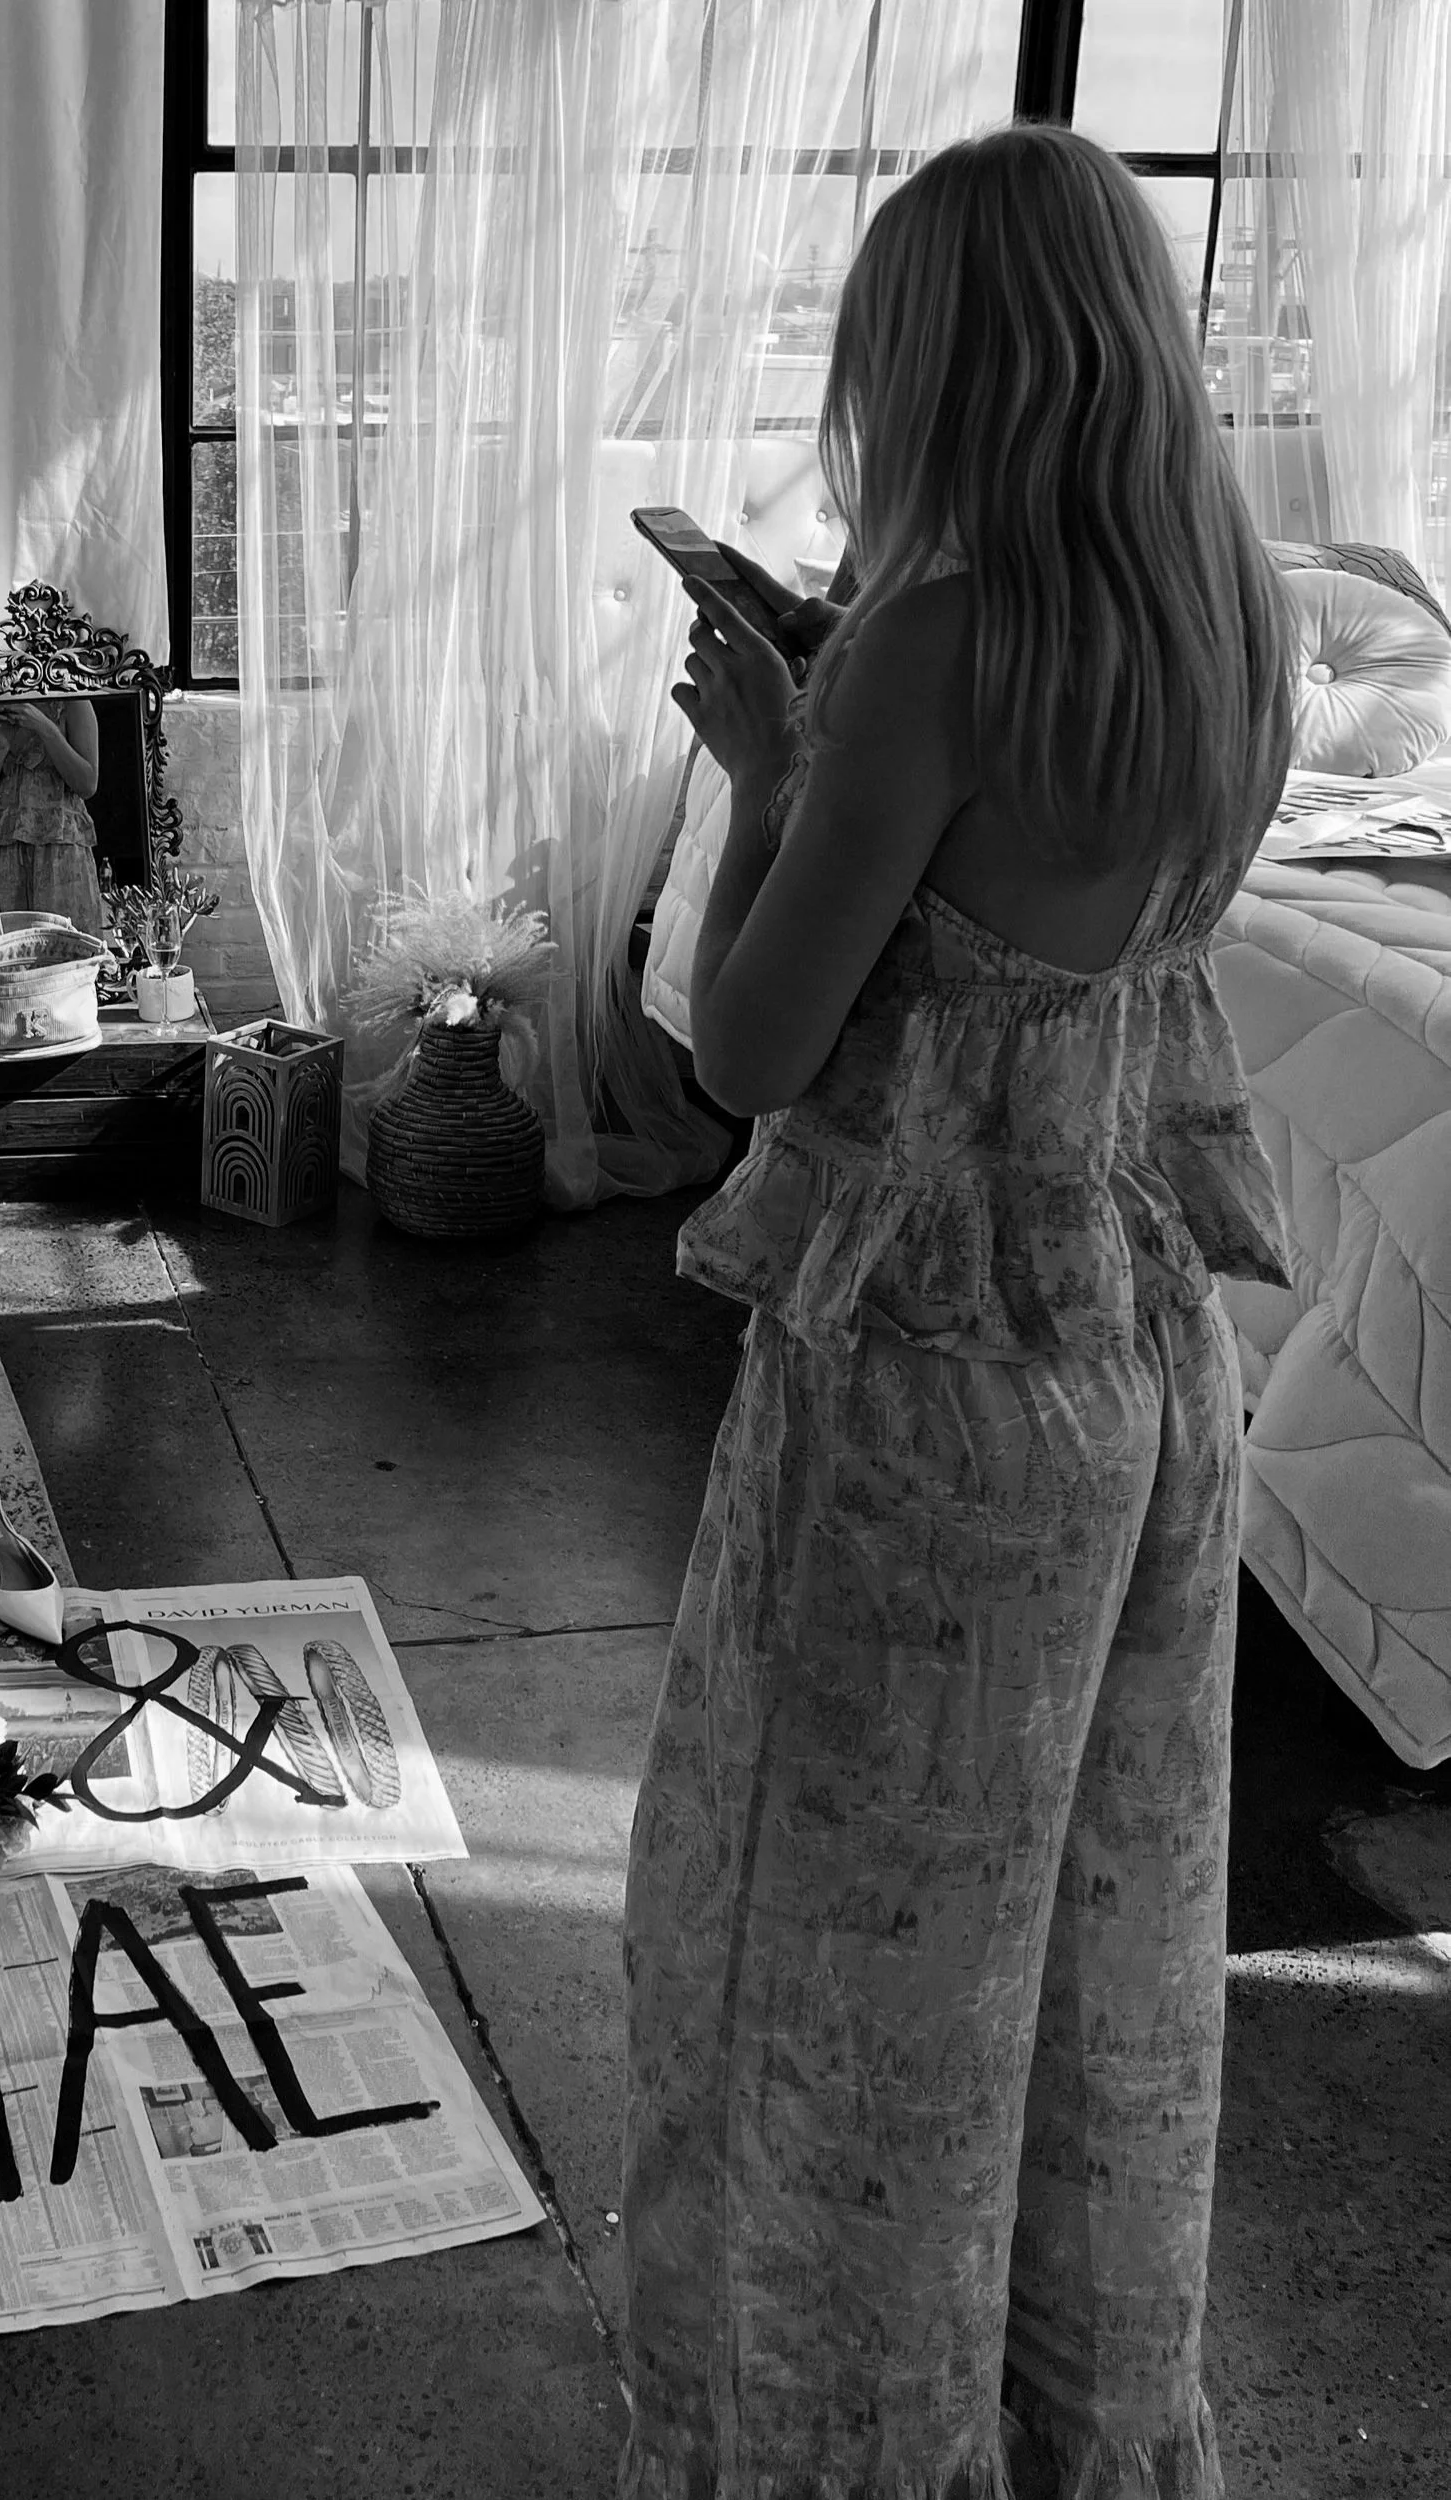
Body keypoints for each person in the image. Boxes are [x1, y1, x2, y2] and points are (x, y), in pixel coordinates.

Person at [622, 122, 1296, 2500]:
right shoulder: (1234, 609)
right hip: (1141, 1351)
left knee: (852, 1983)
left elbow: (748, 1058)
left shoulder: (934, 637)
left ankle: (838, 2453)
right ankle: (1095, 2438)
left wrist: (765, 776)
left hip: (933, 1391)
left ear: (943, 363)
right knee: (1107, 1954)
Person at [0, 695, 104, 930]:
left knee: (66, 948)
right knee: (7, 948)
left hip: (60, 851)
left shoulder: (72, 704)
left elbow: (88, 784)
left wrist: (45, 728)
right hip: (5, 854)